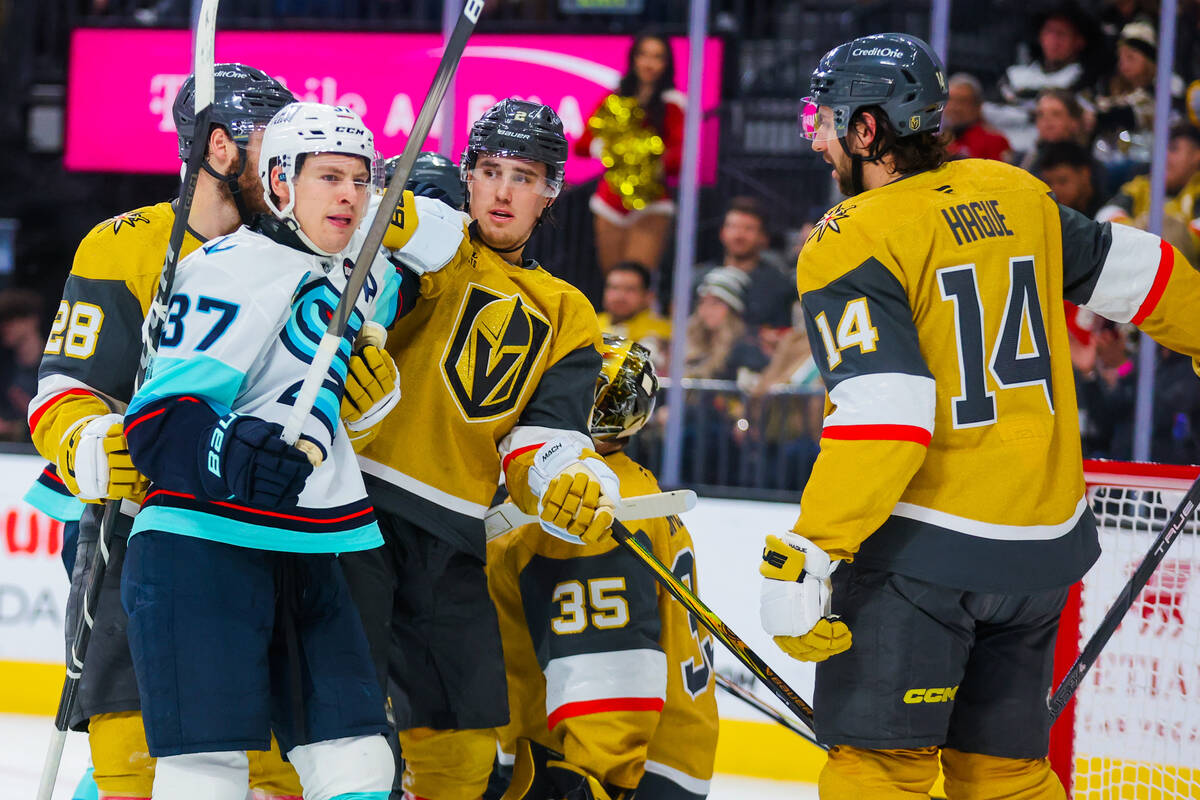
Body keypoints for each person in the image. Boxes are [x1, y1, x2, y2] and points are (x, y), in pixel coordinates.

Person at [768, 32, 1200, 798]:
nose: (819, 137)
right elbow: (1139, 272)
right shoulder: (1011, 191)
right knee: (1006, 778)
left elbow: (887, 410)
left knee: (878, 770)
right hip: (1041, 553)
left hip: (925, 557)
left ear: (869, 130)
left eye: (828, 121)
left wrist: (816, 544)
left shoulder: (851, 237)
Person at [24, 64, 314, 800]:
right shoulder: (125, 244)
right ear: (219, 150)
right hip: (135, 522)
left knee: (274, 755)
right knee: (133, 744)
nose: (289, 168)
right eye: (271, 149)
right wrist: (92, 444)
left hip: (259, 526)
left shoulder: (302, 256)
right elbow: (66, 386)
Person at [120, 101, 402, 800]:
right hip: (199, 544)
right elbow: (160, 423)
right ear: (280, 181)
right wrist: (236, 452)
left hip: (307, 547)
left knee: (359, 762)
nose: (349, 194)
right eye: (329, 176)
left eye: (361, 180)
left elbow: (414, 264)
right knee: (207, 772)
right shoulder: (229, 268)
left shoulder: (366, 271)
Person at [344, 98, 615, 800]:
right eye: (489, 171)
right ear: (465, 177)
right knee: (330, 729)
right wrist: (393, 204)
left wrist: (564, 483)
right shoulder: (431, 243)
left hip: (450, 540)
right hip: (349, 512)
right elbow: (377, 227)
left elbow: (542, 443)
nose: (501, 190)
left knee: (461, 752)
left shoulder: (568, 312)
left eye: (522, 176)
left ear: (551, 190)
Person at [487, 335, 718, 800]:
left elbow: (608, 671)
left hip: (595, 771)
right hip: (666, 754)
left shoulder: (577, 508)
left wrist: (595, 783)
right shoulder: (630, 488)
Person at [576, 33, 684, 273]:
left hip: (651, 203)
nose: (649, 63)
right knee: (613, 280)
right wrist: (615, 151)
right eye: (643, 54)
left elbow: (678, 158)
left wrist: (648, 157)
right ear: (633, 58)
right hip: (610, 202)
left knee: (637, 280)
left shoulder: (673, 104)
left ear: (667, 64)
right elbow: (582, 144)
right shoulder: (614, 99)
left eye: (657, 57)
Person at [1096, 124, 1200, 261]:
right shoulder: (1139, 186)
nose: (1164, 156)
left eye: (1173, 149)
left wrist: (1164, 231)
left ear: (1197, 156)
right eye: (1161, 150)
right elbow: (1105, 215)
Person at [693, 196, 795, 330]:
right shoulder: (699, 279)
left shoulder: (779, 286)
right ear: (722, 233)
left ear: (763, 237)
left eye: (748, 229)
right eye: (733, 227)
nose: (739, 235)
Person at [683, 267, 766, 381]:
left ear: (733, 309)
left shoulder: (745, 351)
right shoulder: (694, 344)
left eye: (716, 303)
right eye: (702, 302)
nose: (706, 309)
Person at [597, 260, 671, 370]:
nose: (620, 296)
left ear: (648, 296)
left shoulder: (663, 330)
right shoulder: (590, 323)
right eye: (614, 288)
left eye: (630, 289)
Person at [943, 74, 1012, 162]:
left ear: (978, 106)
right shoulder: (938, 141)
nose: (954, 107)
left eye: (962, 101)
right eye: (950, 100)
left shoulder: (994, 141)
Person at [1034, 140, 1102, 216]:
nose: (1054, 190)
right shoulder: (1050, 216)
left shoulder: (1110, 215)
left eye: (1062, 181)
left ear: (1084, 174)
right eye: (1048, 183)